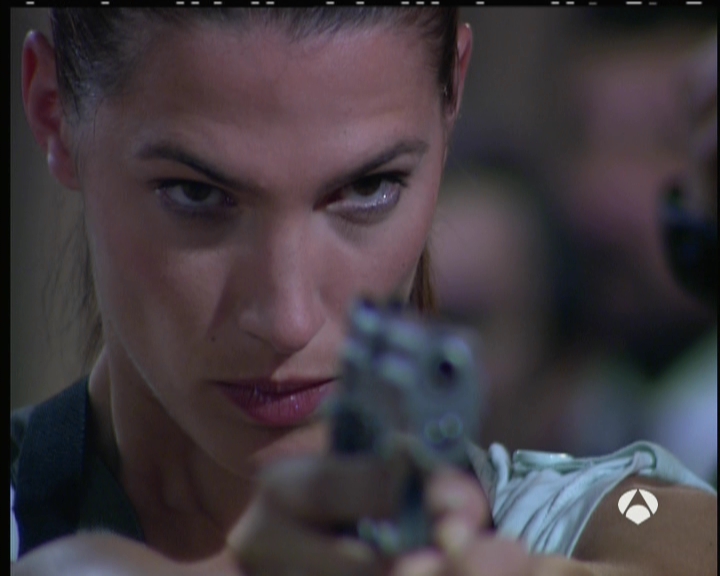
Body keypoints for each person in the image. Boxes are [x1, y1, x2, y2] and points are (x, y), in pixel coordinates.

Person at [10, 8, 717, 576]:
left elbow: (668, 536)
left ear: (453, 95)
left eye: (370, 187)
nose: (288, 319)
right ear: (53, 112)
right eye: (196, 194)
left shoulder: (599, 515)